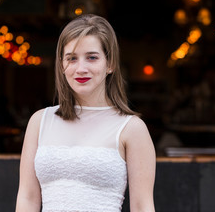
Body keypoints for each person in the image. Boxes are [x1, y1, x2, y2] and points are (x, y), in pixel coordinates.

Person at [15, 14, 156, 212]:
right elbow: (27, 198)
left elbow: (142, 206)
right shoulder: (40, 121)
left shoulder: (131, 128)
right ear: (62, 65)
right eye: (71, 58)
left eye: (92, 57)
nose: (81, 68)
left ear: (110, 64)